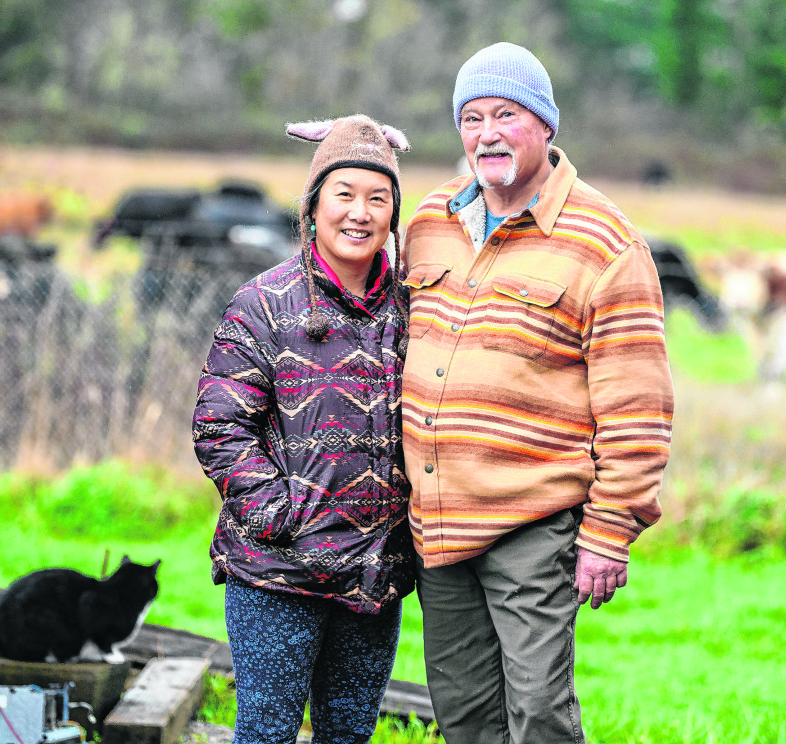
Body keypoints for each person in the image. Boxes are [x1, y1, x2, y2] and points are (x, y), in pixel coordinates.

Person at [401, 43, 674, 744]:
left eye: (506, 115)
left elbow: (638, 410)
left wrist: (611, 531)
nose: (486, 133)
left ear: (546, 125)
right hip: (436, 522)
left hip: (534, 522)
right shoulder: (430, 224)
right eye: (471, 118)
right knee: (462, 716)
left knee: (540, 716)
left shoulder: (605, 243)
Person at [192, 114, 414, 744]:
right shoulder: (264, 304)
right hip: (278, 574)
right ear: (313, 207)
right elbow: (219, 426)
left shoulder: (409, 311)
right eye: (343, 194)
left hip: (375, 575)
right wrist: (279, 516)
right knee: (267, 732)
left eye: (378, 198)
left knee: (349, 735)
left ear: (393, 215)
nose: (360, 212)